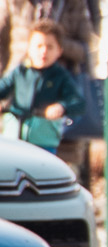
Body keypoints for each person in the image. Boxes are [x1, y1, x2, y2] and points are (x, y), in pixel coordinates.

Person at [1, 16, 85, 150]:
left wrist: (61, 107)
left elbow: (78, 102)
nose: (44, 51)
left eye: (50, 47)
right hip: (14, 140)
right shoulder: (20, 72)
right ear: (29, 48)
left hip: (43, 143)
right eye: (39, 46)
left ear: (59, 51)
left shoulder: (60, 76)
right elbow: (3, 87)